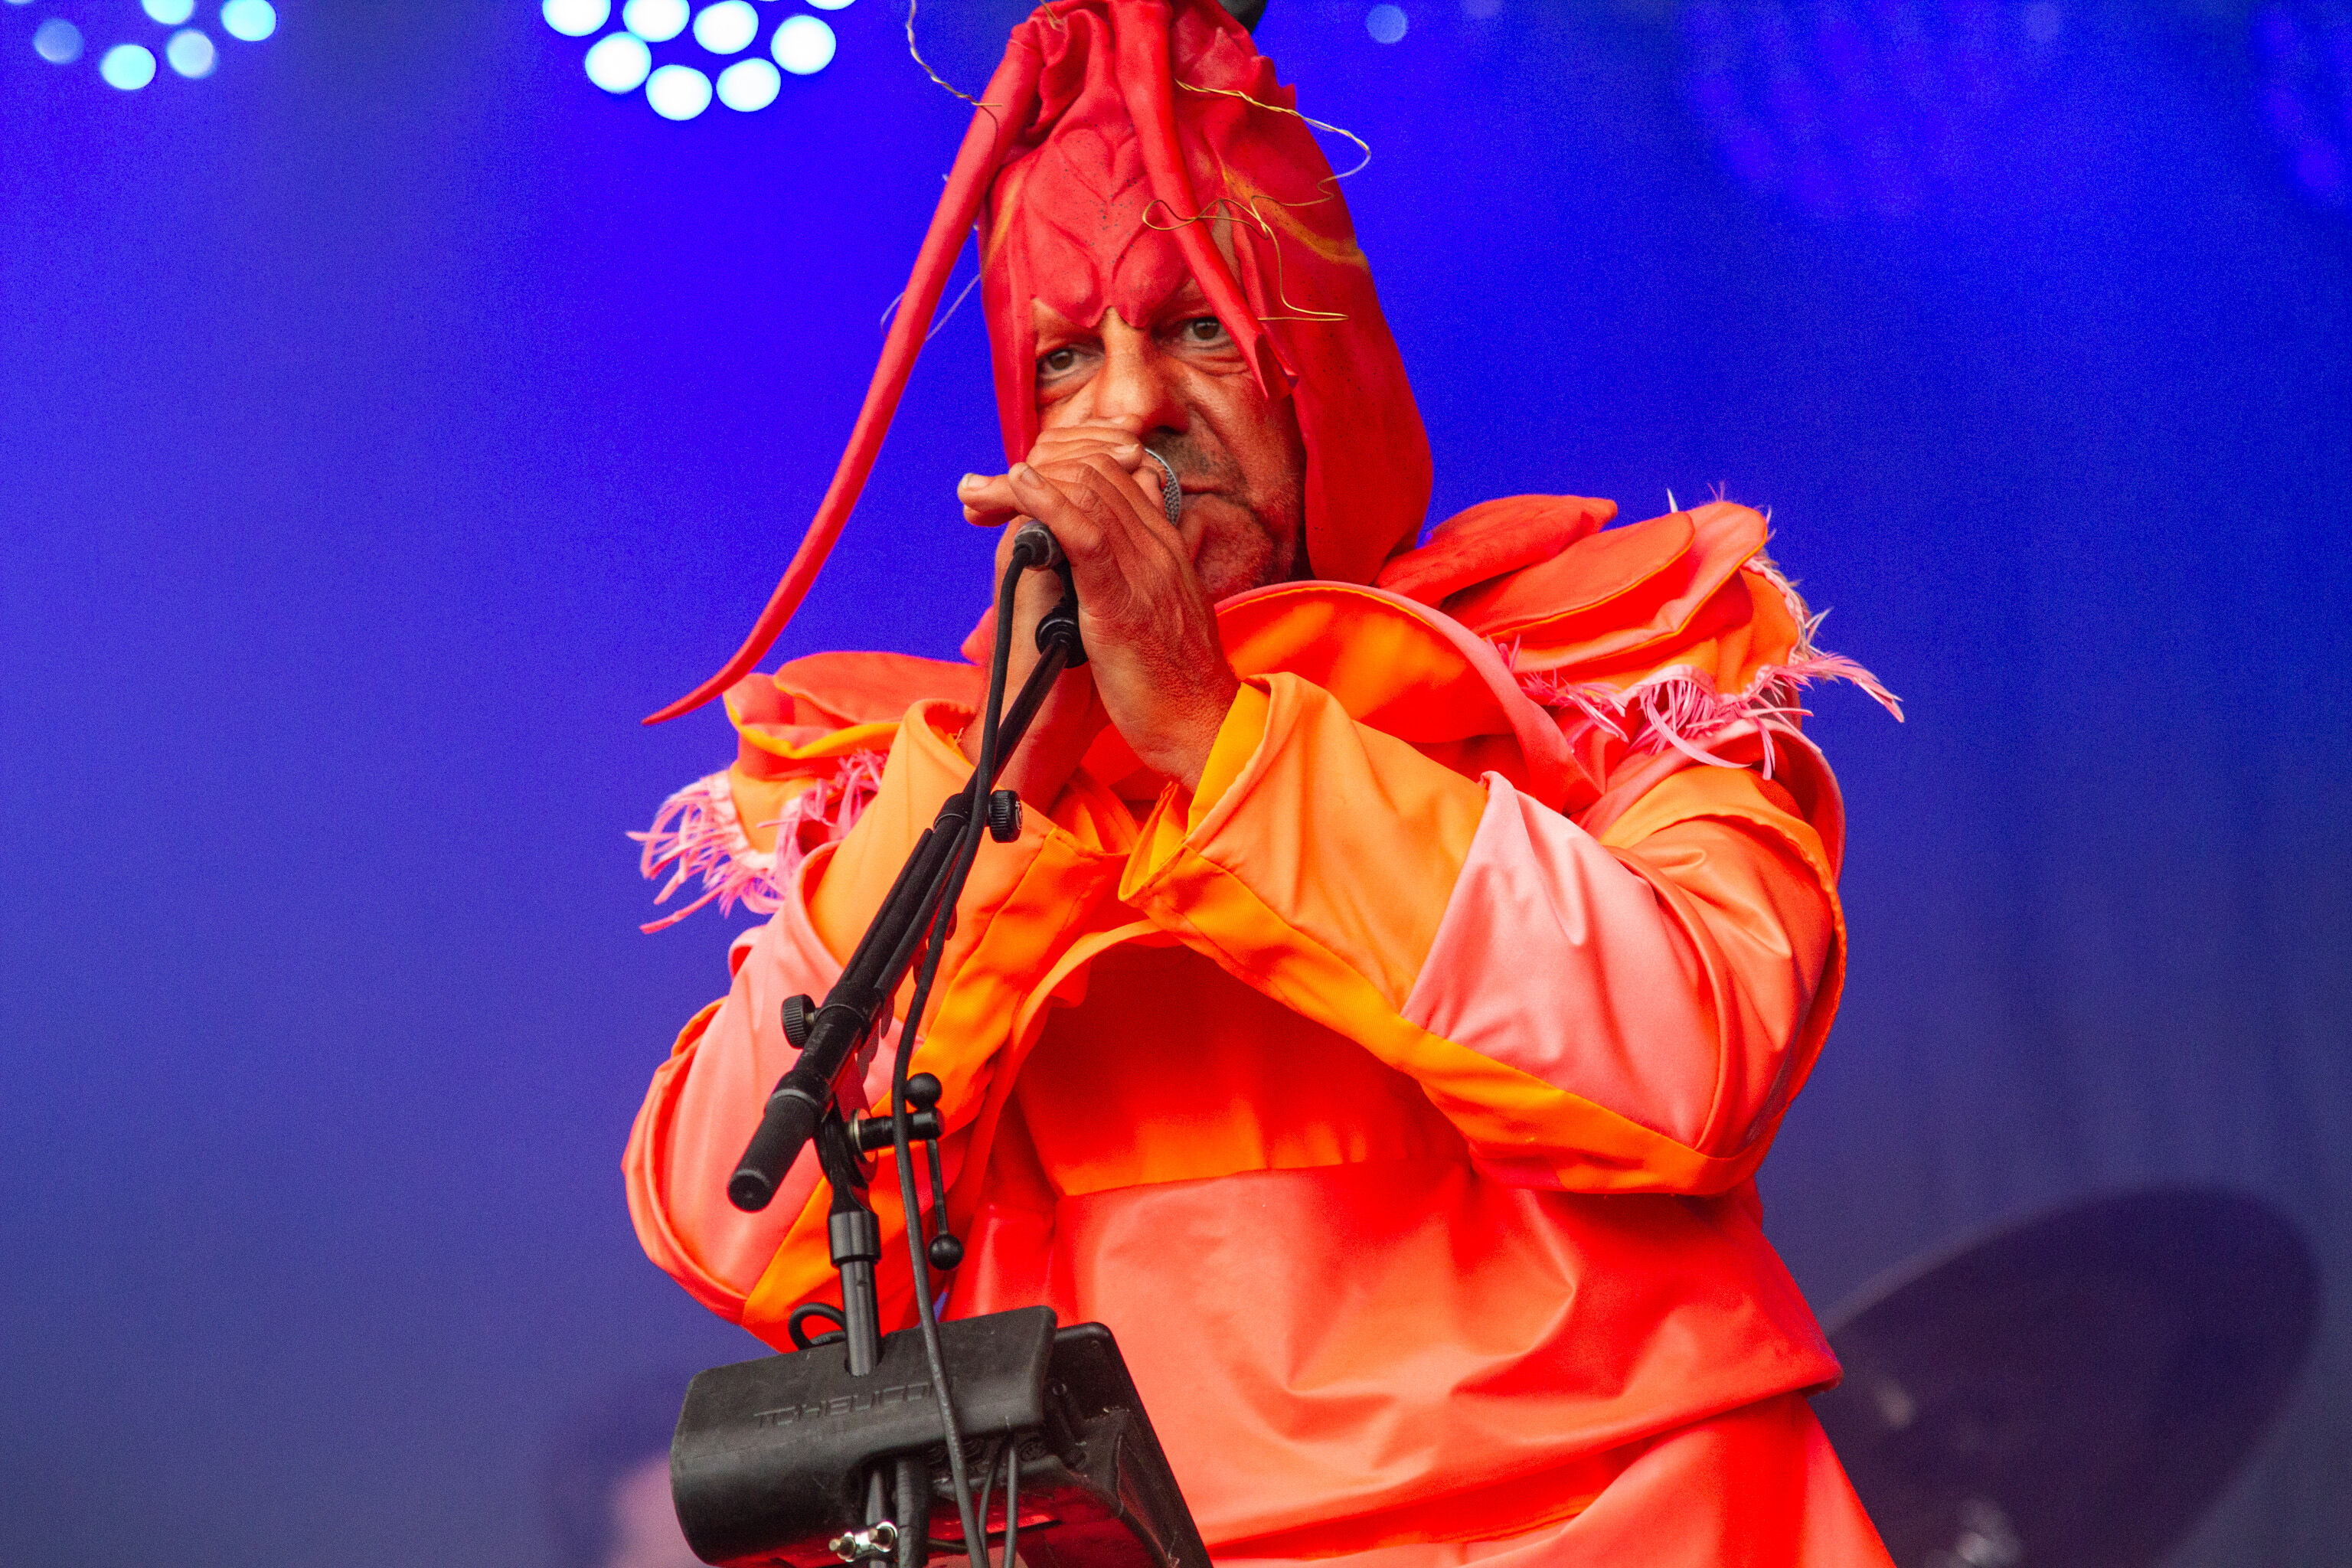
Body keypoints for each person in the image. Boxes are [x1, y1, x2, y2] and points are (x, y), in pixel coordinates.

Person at [623, 2, 1903, 1562]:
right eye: (1065, 357)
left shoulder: (1611, 668)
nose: (1133, 407)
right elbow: (731, 1223)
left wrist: (1215, 736)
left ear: (1324, 365)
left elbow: (1695, 1055)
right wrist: (1001, 780)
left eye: (1200, 329)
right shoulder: (920, 784)